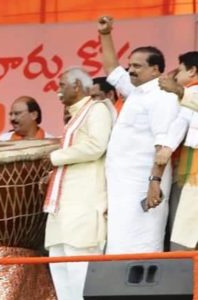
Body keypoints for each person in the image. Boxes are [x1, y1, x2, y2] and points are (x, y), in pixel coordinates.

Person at [98, 16, 179, 254]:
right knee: (120, 245)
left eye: (137, 66)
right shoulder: (138, 91)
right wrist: (105, 34)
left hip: (143, 185)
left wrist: (153, 183)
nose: (130, 70)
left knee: (141, 245)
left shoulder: (162, 96)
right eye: (130, 65)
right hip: (123, 185)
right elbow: (113, 71)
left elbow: (163, 145)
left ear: (155, 69)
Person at [44, 67, 116, 300]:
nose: (57, 92)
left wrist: (54, 157)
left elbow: (96, 146)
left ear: (76, 86)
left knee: (80, 278)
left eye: (61, 85)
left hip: (83, 210)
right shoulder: (76, 115)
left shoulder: (96, 110)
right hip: (62, 210)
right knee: (61, 275)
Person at [156, 51, 198, 250]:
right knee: (183, 234)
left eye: (180, 71)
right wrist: (167, 148)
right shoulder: (188, 96)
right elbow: (181, 122)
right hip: (188, 173)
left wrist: (180, 91)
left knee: (185, 234)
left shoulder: (189, 94)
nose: (177, 76)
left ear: (192, 71)